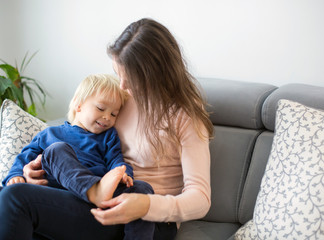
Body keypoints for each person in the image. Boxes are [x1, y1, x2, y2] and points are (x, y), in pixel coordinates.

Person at [0, 18, 213, 240]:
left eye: (130, 77)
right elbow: (79, 134)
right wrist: (31, 174)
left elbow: (200, 199)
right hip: (94, 196)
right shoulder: (119, 101)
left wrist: (146, 204)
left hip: (146, 218)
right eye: (118, 73)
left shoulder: (186, 116)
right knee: (9, 196)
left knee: (15, 200)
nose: (122, 85)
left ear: (153, 74)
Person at [1, 73, 155, 239]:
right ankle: (93, 190)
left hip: (96, 204)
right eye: (101, 109)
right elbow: (25, 156)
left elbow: (116, 161)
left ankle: (96, 191)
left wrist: (123, 174)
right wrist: (15, 175)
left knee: (142, 188)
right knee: (55, 151)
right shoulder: (50, 133)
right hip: (59, 195)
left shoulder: (108, 136)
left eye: (113, 114)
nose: (107, 117)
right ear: (78, 105)